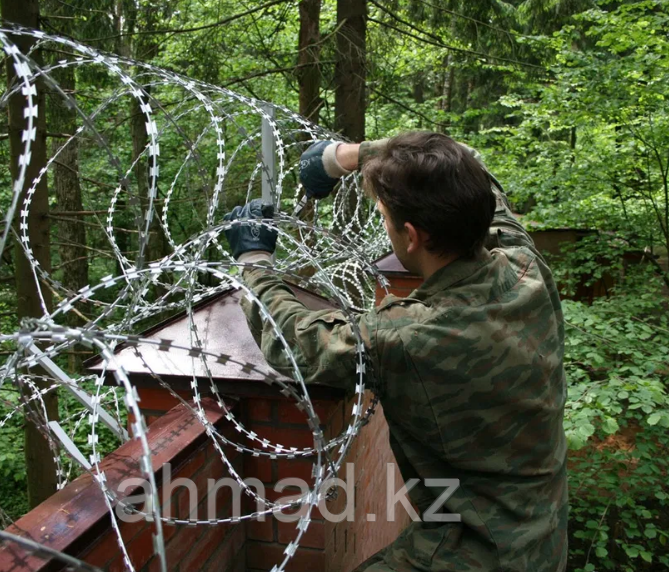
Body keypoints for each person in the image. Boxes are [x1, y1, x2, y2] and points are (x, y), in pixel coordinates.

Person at [223, 131, 568, 572]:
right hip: (544, 533)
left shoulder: (411, 335)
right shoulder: (525, 266)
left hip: (474, 551)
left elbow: (296, 342)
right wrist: (344, 156)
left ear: (410, 236)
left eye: (384, 217)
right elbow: (473, 166)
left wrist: (254, 263)